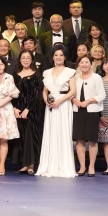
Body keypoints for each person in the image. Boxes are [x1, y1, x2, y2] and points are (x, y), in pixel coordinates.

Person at [36, 45, 77, 178]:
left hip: (63, 104)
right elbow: (45, 90)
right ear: (52, 57)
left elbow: (73, 91)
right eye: (56, 55)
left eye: (61, 55)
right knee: (51, 132)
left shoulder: (70, 71)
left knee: (63, 132)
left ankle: (64, 165)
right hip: (50, 105)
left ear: (65, 57)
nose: (58, 57)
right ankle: (49, 165)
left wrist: (60, 101)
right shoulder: (47, 72)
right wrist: (46, 100)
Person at [10, 50, 44, 174]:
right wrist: (14, 108)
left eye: (28, 58)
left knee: (31, 136)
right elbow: (11, 92)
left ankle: (31, 165)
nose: (25, 60)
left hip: (33, 110)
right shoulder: (14, 75)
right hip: (18, 109)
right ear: (19, 60)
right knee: (22, 136)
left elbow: (37, 94)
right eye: (23, 58)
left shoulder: (37, 74)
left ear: (32, 60)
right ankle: (24, 164)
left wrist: (27, 109)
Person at [71, 54, 105, 176]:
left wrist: (89, 101)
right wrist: (74, 100)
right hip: (77, 111)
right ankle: (82, 167)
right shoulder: (75, 78)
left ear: (91, 64)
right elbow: (70, 93)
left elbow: (102, 95)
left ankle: (91, 166)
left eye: (86, 62)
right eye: (82, 62)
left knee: (92, 140)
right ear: (78, 65)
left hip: (92, 111)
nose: (84, 64)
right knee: (79, 140)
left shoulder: (97, 77)